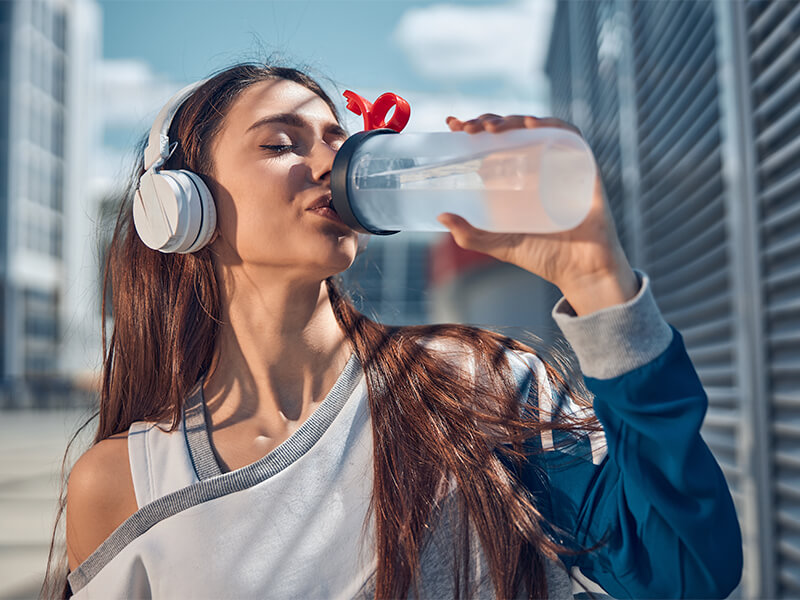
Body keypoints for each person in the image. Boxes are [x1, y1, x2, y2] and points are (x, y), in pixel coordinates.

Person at [45, 62, 743, 599]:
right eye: (282, 143)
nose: (330, 165)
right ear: (180, 205)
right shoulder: (122, 482)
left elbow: (683, 569)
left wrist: (598, 283)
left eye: (338, 141)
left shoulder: (476, 388)